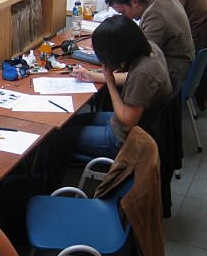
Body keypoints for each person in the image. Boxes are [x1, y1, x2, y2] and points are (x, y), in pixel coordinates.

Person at [44, 15, 172, 191]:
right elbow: (130, 77)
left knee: (55, 138)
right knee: (65, 124)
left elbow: (127, 123)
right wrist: (95, 76)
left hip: (122, 139)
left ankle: (47, 189)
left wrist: (110, 82)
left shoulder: (143, 75)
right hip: (127, 124)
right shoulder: (151, 50)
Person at [105, 0, 194, 83]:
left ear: (134, 1)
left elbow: (139, 62)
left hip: (173, 77)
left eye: (123, 12)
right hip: (179, 68)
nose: (124, 17)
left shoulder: (156, 15)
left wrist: (97, 76)